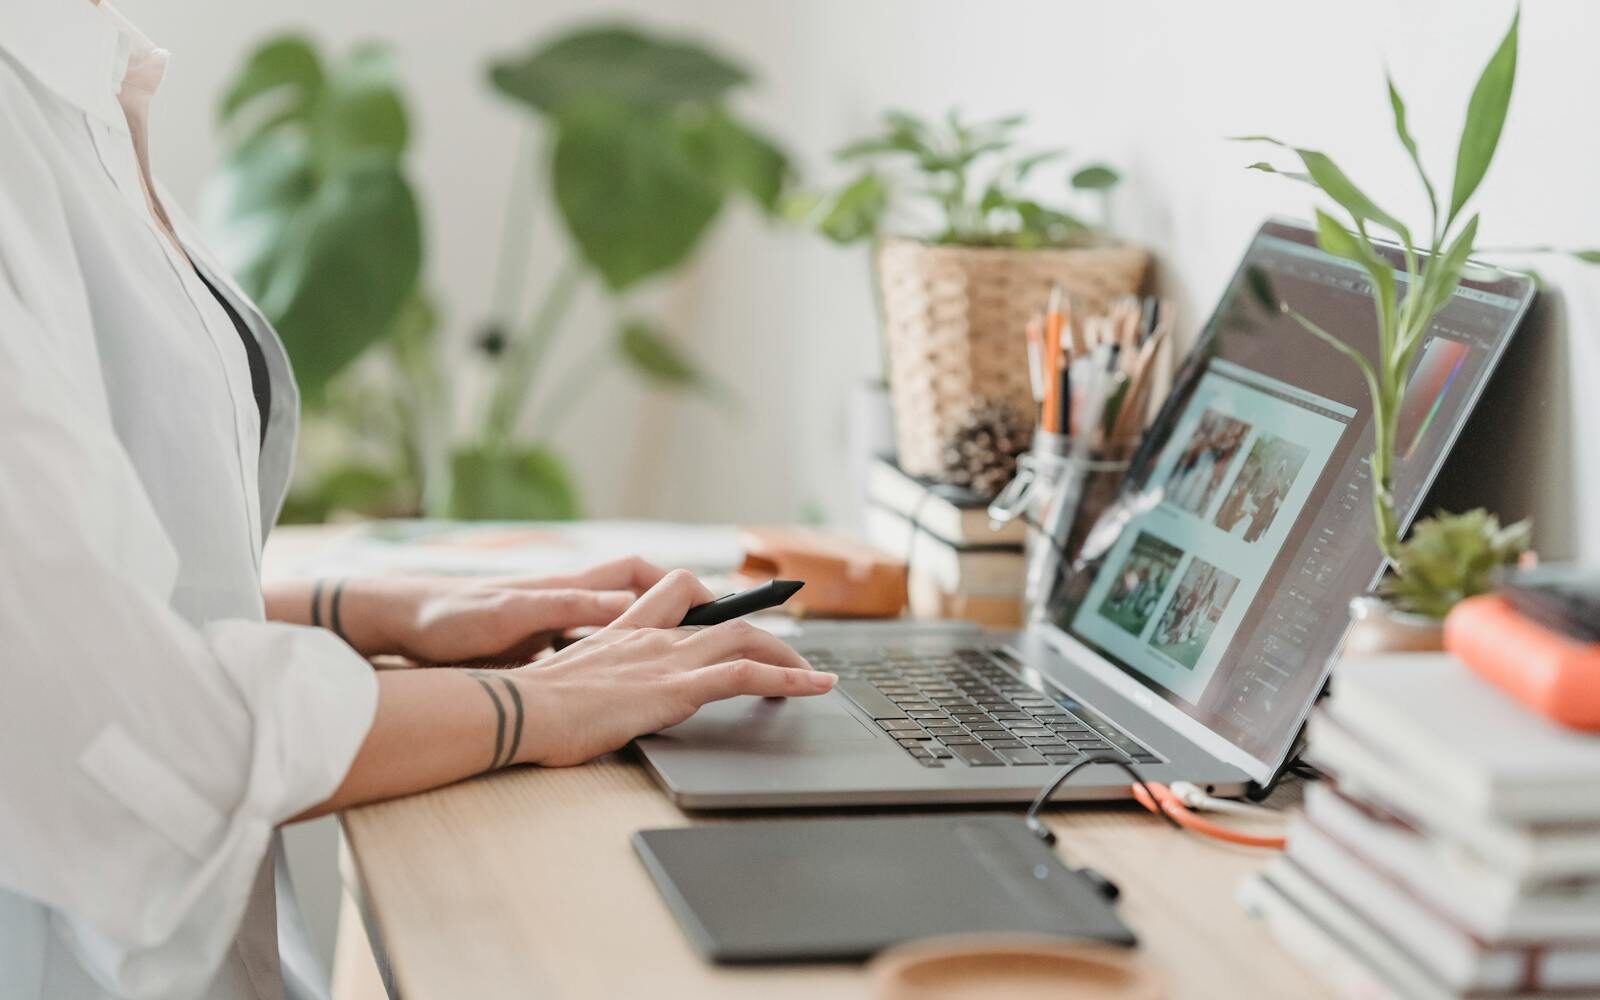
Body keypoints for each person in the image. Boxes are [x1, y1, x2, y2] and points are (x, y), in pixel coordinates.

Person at [0, 4, 834, 999]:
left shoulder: (79, 72)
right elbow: (117, 736)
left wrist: (373, 612)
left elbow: (64, 603)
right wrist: (540, 704)